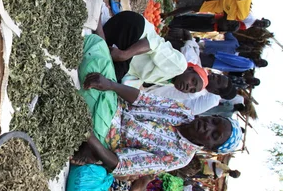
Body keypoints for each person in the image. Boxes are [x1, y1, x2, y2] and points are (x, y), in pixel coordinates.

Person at [73, 69, 242, 178]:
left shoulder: (179, 157)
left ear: (209, 148)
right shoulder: (184, 112)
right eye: (213, 121)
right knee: (97, 48)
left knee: (82, 104)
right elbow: (143, 98)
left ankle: (89, 148)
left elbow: (121, 164)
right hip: (114, 103)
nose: (208, 126)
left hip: (105, 133)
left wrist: (91, 138)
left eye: (214, 134)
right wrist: (110, 85)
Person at [97, 12, 206, 90]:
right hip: (133, 29)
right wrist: (124, 55)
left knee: (111, 79)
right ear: (190, 70)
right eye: (193, 81)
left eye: (192, 90)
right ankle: (97, 24)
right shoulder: (180, 66)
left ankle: (99, 33)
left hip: (126, 38)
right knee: (109, 76)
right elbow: (154, 44)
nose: (189, 86)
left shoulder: (169, 81)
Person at [143, 71, 236, 115]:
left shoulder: (195, 92)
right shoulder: (200, 83)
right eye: (218, 76)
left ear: (215, 91)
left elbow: (160, 91)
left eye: (218, 80)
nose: (215, 76)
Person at [166, 14, 240, 33]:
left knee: (187, 23)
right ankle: (169, 20)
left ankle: (169, 22)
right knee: (188, 19)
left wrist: (216, 20)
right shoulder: (232, 21)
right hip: (211, 20)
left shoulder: (232, 26)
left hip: (210, 23)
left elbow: (223, 27)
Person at [200, 52, 264, 72]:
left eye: (260, 62)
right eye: (260, 60)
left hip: (216, 61)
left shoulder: (249, 64)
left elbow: (232, 61)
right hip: (216, 63)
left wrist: (218, 56)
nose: (258, 60)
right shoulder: (249, 64)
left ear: (259, 65)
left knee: (197, 56)